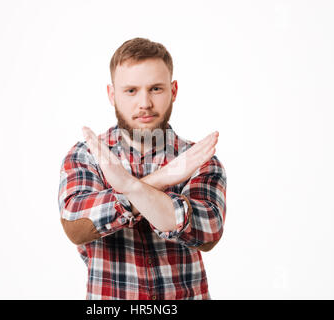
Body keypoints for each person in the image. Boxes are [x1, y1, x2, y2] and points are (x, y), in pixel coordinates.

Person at [58, 37, 227, 300]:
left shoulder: (199, 158)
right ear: (112, 94)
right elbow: (76, 227)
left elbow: (208, 233)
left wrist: (128, 186)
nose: (145, 103)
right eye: (131, 90)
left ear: (174, 90)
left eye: (156, 89)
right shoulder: (88, 154)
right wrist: (163, 178)